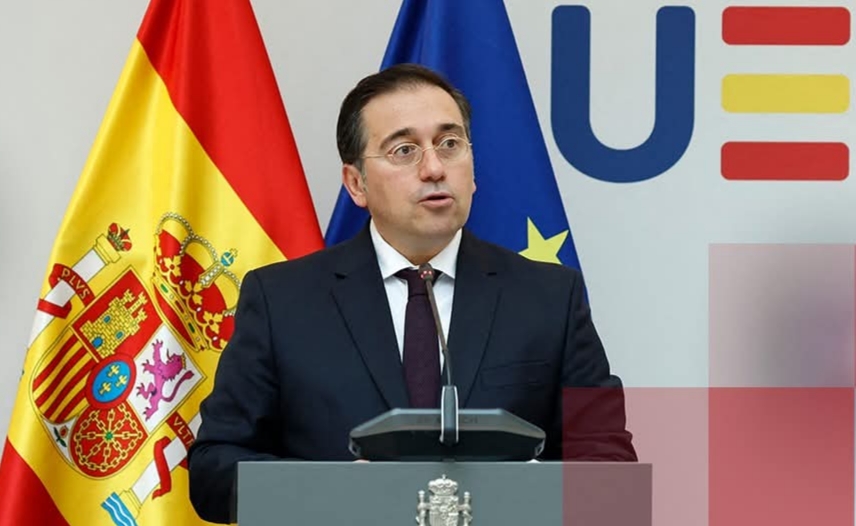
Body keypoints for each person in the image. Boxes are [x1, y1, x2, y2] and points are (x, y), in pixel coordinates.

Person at [187, 63, 636, 524]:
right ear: (356, 184)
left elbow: (610, 468)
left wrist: (519, 492)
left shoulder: (549, 297)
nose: (434, 168)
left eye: (450, 144)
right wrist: (335, 491)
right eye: (404, 150)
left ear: (473, 169)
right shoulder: (282, 301)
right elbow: (212, 470)